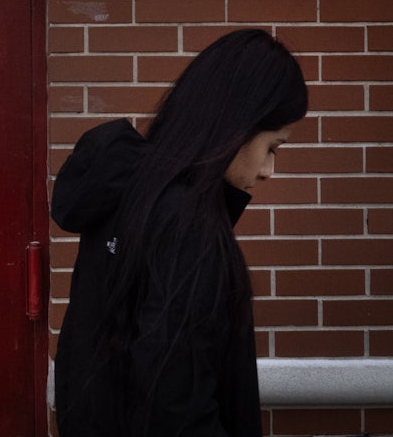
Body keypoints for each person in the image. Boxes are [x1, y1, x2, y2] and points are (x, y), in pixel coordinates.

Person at [52, 29, 308, 436]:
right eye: (272, 147)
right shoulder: (188, 226)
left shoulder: (131, 196)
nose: (268, 170)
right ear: (236, 128)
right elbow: (178, 408)